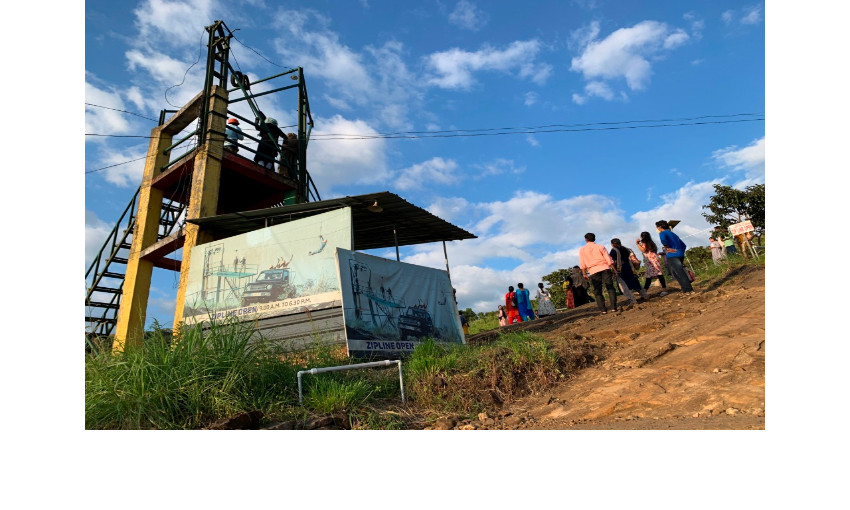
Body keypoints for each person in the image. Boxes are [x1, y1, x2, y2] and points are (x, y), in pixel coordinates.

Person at [578, 233, 619, 314]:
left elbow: (582, 263)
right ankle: (613, 307)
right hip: (605, 268)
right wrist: (614, 269)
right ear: (594, 239)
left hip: (593, 271)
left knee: (597, 290)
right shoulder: (600, 247)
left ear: (586, 239)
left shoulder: (582, 250)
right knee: (610, 287)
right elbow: (608, 259)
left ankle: (603, 309)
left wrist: (584, 273)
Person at [656, 220, 694, 295]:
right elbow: (683, 245)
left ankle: (689, 290)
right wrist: (680, 252)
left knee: (680, 273)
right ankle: (684, 289)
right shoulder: (673, 234)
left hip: (672, 255)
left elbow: (663, 240)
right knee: (675, 273)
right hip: (680, 254)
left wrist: (667, 248)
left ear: (660, 227)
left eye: (657, 227)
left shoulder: (662, 233)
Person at [610, 239, 649, 305]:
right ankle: (645, 296)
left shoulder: (614, 250)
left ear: (612, 244)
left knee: (623, 286)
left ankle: (632, 300)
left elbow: (611, 258)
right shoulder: (626, 249)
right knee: (635, 282)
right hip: (630, 268)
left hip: (620, 270)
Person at [636, 231, 668, 296]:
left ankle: (664, 290)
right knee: (651, 276)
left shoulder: (644, 243)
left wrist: (637, 244)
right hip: (652, 260)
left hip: (650, 261)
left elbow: (643, 250)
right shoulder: (651, 242)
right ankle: (644, 291)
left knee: (657, 275)